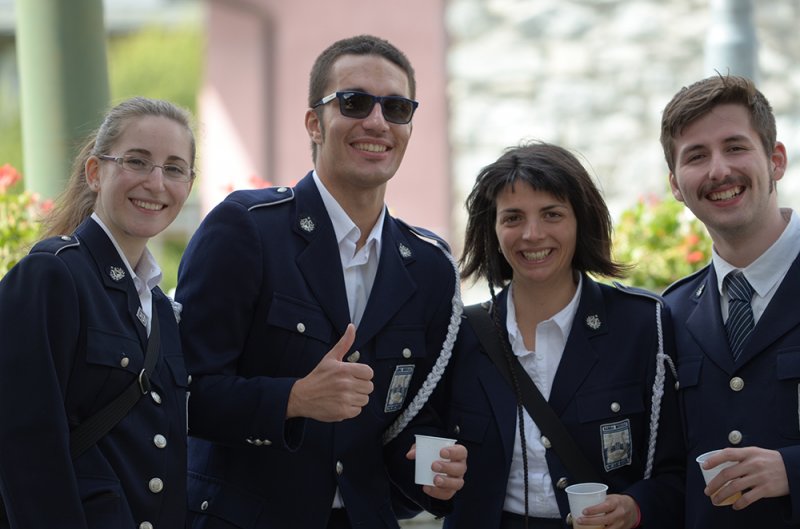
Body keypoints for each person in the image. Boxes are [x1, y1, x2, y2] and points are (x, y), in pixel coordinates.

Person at [176, 34, 466, 529]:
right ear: (314, 122)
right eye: (354, 102)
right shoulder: (246, 229)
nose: (377, 121)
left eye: (396, 108)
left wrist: (434, 468)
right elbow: (183, 394)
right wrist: (293, 399)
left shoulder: (430, 264)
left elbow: (412, 416)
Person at [443, 142, 685, 529]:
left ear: (581, 221)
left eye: (552, 214)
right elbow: (418, 454)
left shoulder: (642, 325)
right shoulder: (460, 335)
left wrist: (634, 508)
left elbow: (677, 472)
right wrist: (432, 477)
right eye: (513, 218)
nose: (532, 234)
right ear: (493, 229)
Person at [0, 96, 196, 528]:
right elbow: (24, 447)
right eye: (138, 161)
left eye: (174, 168)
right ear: (95, 172)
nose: (156, 182)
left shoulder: (160, 308)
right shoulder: (52, 276)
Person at [660, 74, 800, 528]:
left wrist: (792, 471)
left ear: (775, 160)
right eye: (696, 156)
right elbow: (669, 469)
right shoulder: (673, 313)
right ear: (677, 186)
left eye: (735, 147)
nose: (718, 170)